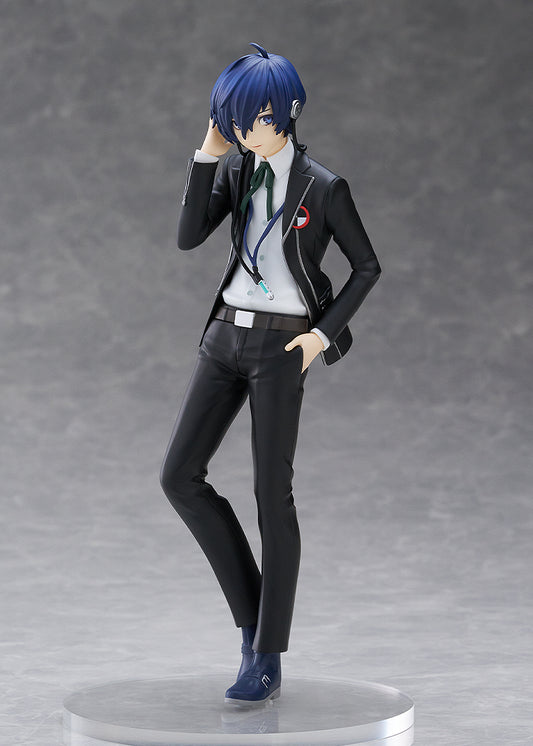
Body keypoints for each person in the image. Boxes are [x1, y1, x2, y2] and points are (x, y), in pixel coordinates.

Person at [160, 43, 381, 704]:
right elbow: (188, 236)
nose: (239, 131)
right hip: (224, 335)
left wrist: (320, 335)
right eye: (229, 119)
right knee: (179, 477)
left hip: (284, 346)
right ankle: (254, 616)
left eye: (248, 118)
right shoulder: (238, 169)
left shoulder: (323, 186)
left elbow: (366, 266)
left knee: (269, 495)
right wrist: (207, 155)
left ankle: (266, 653)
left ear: (283, 111)